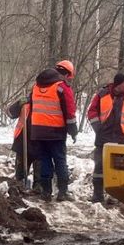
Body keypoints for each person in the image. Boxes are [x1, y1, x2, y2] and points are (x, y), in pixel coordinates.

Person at [29, 59, 78, 202]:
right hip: (55, 131)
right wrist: (73, 131)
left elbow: (33, 107)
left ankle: (46, 192)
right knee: (60, 160)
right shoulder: (62, 87)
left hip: (37, 131)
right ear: (67, 74)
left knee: (44, 160)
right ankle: (63, 192)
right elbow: (70, 112)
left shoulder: (36, 86)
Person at [86, 72, 124, 203]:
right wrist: (98, 128)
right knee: (99, 167)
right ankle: (97, 195)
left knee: (120, 169)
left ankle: (116, 196)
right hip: (104, 138)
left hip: (122, 139)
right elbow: (92, 111)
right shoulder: (102, 94)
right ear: (118, 84)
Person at [7, 94, 40, 191]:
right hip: (23, 139)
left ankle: (38, 187)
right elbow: (10, 113)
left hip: (39, 140)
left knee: (39, 167)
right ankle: (19, 184)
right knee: (20, 170)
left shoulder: (46, 102)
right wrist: (19, 103)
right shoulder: (26, 102)